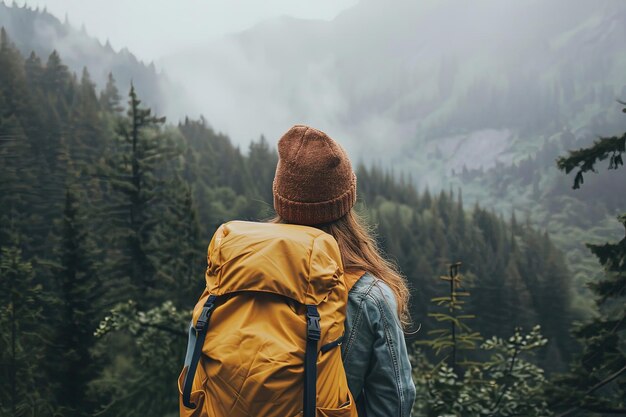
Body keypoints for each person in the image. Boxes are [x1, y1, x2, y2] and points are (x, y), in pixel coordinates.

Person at [271, 124, 416, 417]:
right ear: (346, 201)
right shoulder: (368, 296)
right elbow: (394, 404)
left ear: (281, 198)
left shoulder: (234, 271)